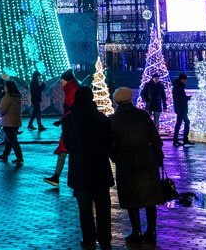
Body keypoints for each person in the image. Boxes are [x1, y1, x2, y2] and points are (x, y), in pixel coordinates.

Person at [109, 87, 163, 245]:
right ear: (130, 99)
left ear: (117, 101)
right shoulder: (143, 115)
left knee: (131, 197)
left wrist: (116, 158)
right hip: (147, 160)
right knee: (150, 198)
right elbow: (155, 138)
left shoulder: (113, 119)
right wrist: (158, 158)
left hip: (126, 161)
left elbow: (111, 144)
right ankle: (152, 230)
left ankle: (136, 231)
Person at [64, 86, 114, 250]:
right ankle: (105, 239)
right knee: (103, 209)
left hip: (80, 170)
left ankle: (89, 240)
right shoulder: (102, 119)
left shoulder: (69, 120)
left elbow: (67, 143)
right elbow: (109, 142)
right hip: (100, 169)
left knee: (84, 210)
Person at [45, 69, 78, 187]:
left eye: (62, 80)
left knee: (65, 149)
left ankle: (58, 177)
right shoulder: (72, 89)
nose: (61, 82)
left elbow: (71, 109)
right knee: (66, 150)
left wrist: (64, 120)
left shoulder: (72, 91)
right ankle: (59, 177)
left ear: (67, 80)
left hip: (71, 126)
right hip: (69, 124)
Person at [0, 79, 24, 164]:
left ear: (8, 88)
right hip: (16, 122)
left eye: (5, 86)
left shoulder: (7, 97)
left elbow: (2, 110)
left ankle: (19, 157)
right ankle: (5, 155)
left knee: (12, 140)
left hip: (8, 122)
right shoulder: (17, 96)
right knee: (9, 140)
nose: (4, 88)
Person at [171, 73, 191, 147]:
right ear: (182, 79)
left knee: (178, 123)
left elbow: (180, 96)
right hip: (181, 108)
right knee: (187, 121)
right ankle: (185, 139)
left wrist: (186, 97)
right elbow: (180, 97)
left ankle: (175, 140)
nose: (185, 81)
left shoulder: (177, 86)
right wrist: (187, 98)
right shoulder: (178, 86)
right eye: (185, 79)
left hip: (179, 107)